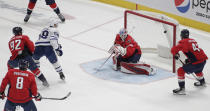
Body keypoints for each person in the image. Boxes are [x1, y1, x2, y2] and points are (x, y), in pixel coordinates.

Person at [171, 29, 208, 95]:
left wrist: (176, 54)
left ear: (181, 36)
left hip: (196, 63)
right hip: (203, 60)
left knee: (180, 71)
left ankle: (182, 89)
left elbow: (173, 49)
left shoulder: (183, 42)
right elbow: (194, 52)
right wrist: (190, 60)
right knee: (198, 71)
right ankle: (202, 82)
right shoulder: (193, 41)